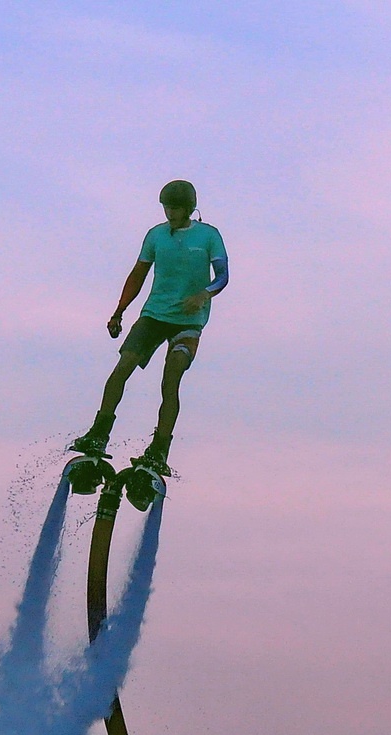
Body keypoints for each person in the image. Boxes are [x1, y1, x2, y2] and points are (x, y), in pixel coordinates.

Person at [65, 179, 229, 511]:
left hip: (188, 322)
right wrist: (119, 311)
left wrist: (205, 293)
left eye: (176, 208)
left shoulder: (208, 235)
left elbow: (223, 275)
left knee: (171, 379)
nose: (170, 213)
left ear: (189, 208)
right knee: (122, 367)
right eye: (166, 208)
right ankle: (99, 432)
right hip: (153, 316)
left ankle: (159, 450)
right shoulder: (155, 235)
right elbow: (138, 274)